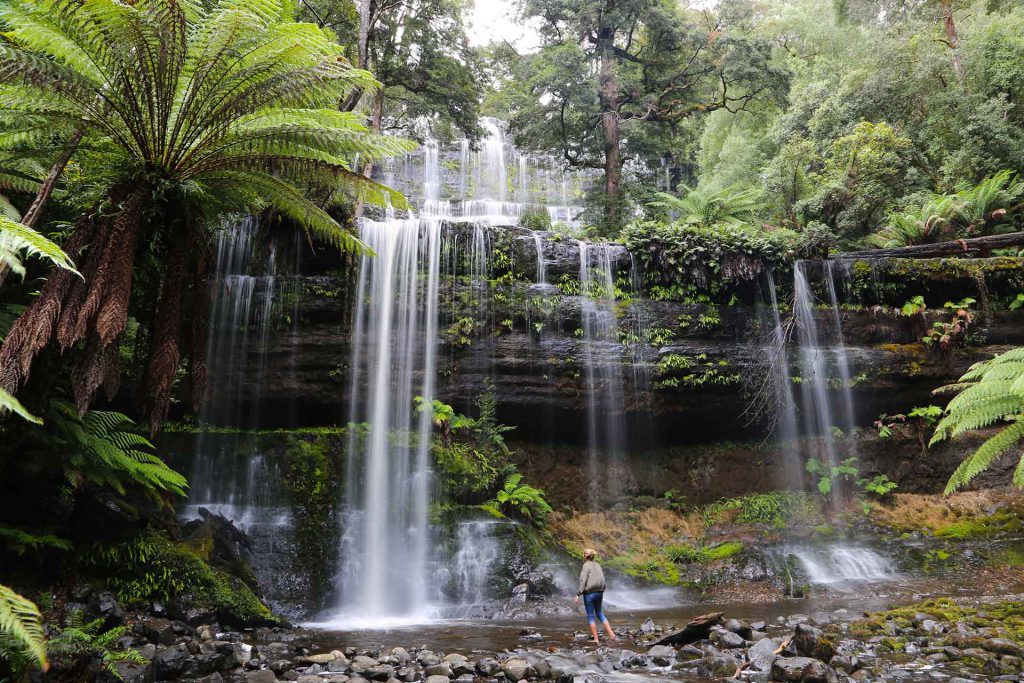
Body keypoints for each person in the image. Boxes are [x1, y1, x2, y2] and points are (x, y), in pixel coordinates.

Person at [573, 549, 617, 645]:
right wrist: (602, 590)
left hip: (589, 594)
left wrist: (578, 594)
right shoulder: (598, 565)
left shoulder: (585, 566)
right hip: (600, 592)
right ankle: (612, 634)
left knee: (590, 616)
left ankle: (596, 639)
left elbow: (583, 581)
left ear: (585, 556)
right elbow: (602, 579)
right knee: (599, 613)